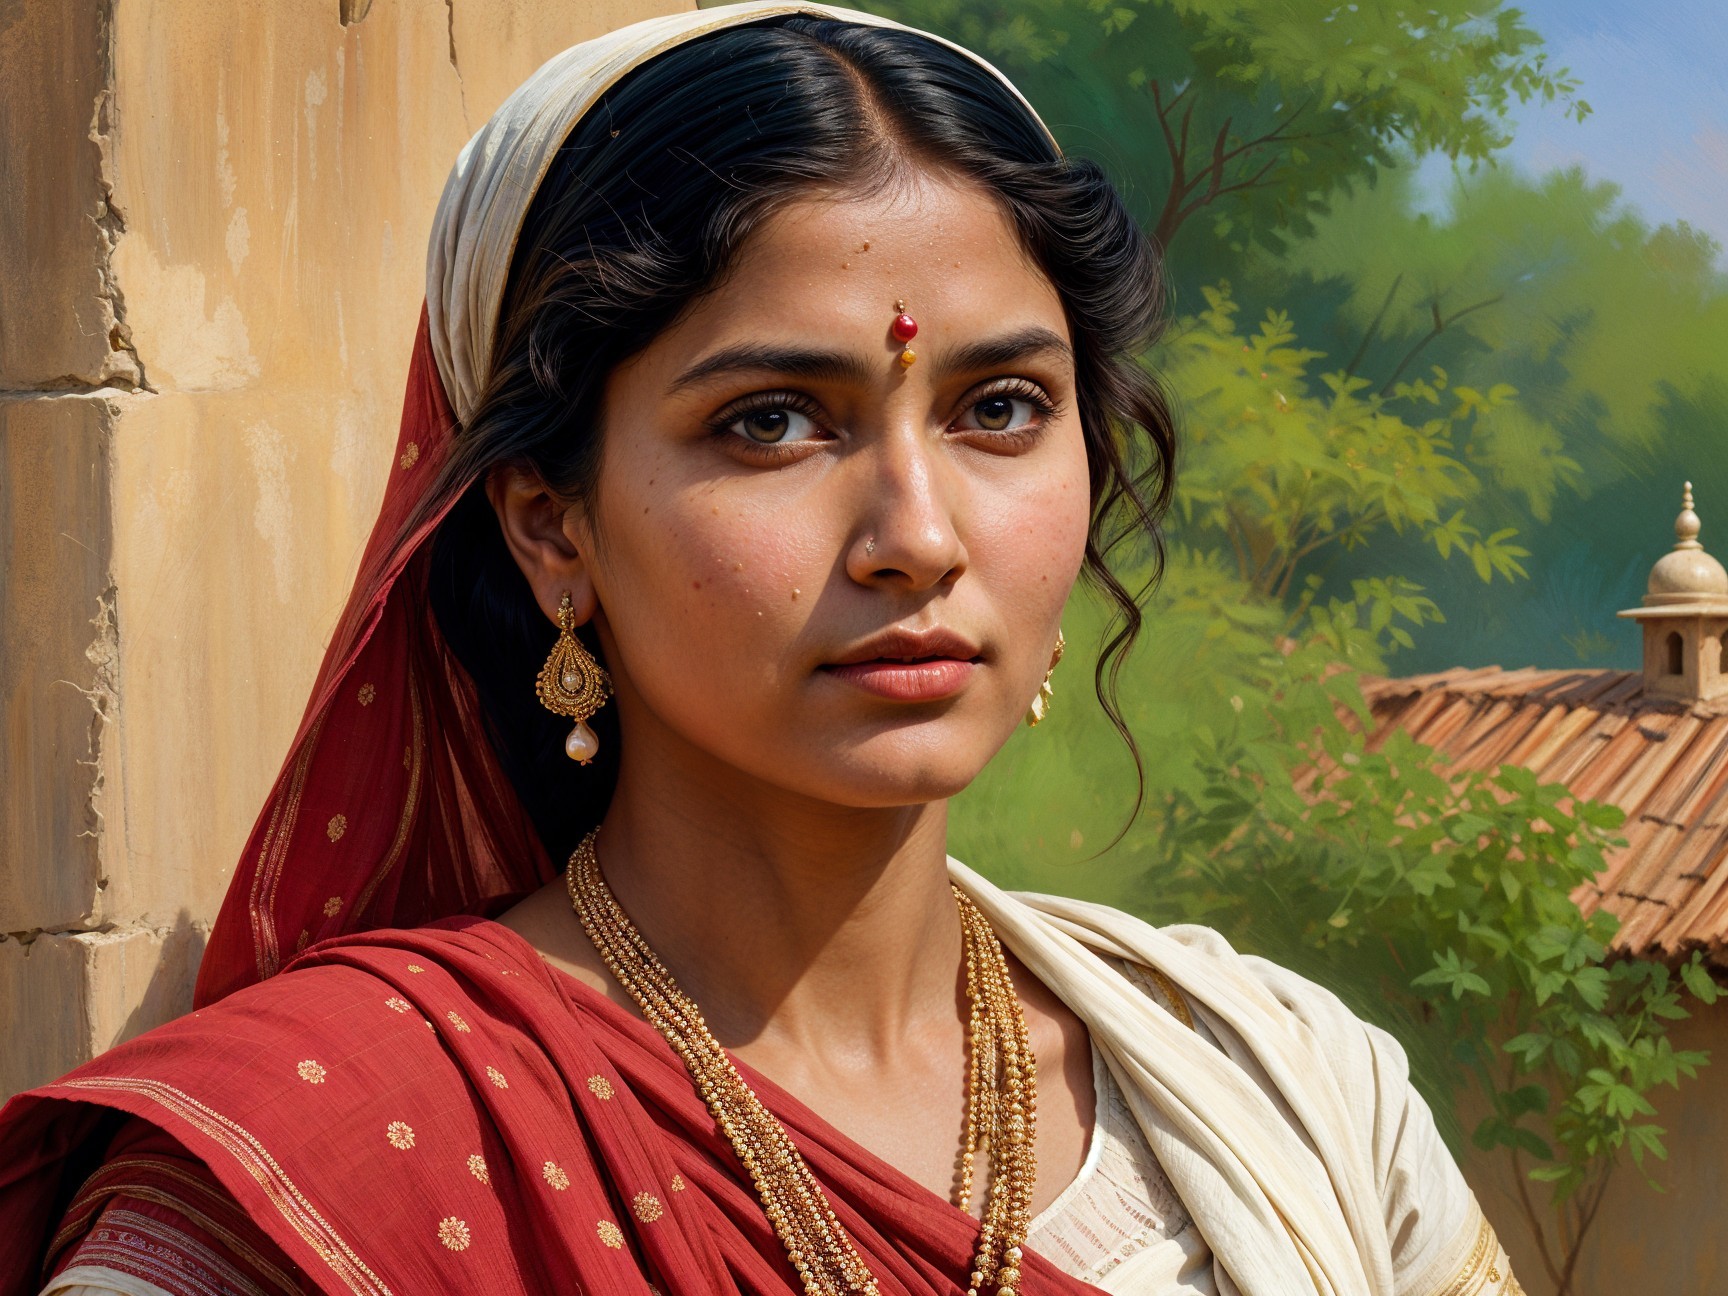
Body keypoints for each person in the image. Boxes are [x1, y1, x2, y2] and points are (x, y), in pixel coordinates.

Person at [0, 5, 1523, 1294]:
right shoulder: (338, 1159)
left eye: (1000, 408)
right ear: (552, 526)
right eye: (773, 421)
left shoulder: (1290, 1093)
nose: (917, 536)